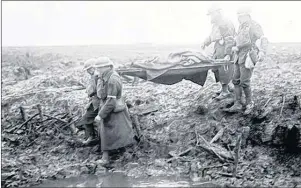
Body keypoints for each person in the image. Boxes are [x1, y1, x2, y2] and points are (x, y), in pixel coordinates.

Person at [93, 57, 135, 165]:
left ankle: (106, 158)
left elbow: (111, 101)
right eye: (97, 68)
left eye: (100, 68)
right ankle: (121, 153)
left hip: (114, 109)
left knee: (118, 132)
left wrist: (100, 115)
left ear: (107, 67)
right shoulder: (103, 77)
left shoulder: (113, 79)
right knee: (111, 132)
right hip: (108, 107)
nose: (98, 70)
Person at [227, 7, 268, 114]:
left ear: (247, 15)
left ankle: (250, 103)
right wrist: (234, 47)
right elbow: (237, 41)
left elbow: (263, 38)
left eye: (241, 16)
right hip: (238, 56)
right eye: (238, 16)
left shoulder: (254, 26)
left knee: (245, 82)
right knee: (235, 80)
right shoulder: (240, 27)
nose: (239, 19)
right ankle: (238, 103)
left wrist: (262, 51)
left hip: (248, 56)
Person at [201, 4, 236, 100]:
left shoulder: (225, 23)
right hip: (218, 49)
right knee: (217, 70)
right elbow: (212, 36)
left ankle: (225, 92)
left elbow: (230, 39)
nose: (211, 17)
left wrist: (228, 54)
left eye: (212, 14)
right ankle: (224, 88)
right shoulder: (215, 25)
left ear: (218, 13)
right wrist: (205, 42)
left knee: (224, 70)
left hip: (225, 49)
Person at [78, 58, 100, 145]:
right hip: (93, 101)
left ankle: (93, 137)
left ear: (93, 68)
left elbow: (98, 90)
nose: (88, 71)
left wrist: (91, 92)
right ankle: (91, 136)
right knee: (85, 118)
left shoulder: (97, 77)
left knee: (87, 118)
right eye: (87, 69)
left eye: (89, 69)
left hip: (98, 102)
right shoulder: (92, 77)